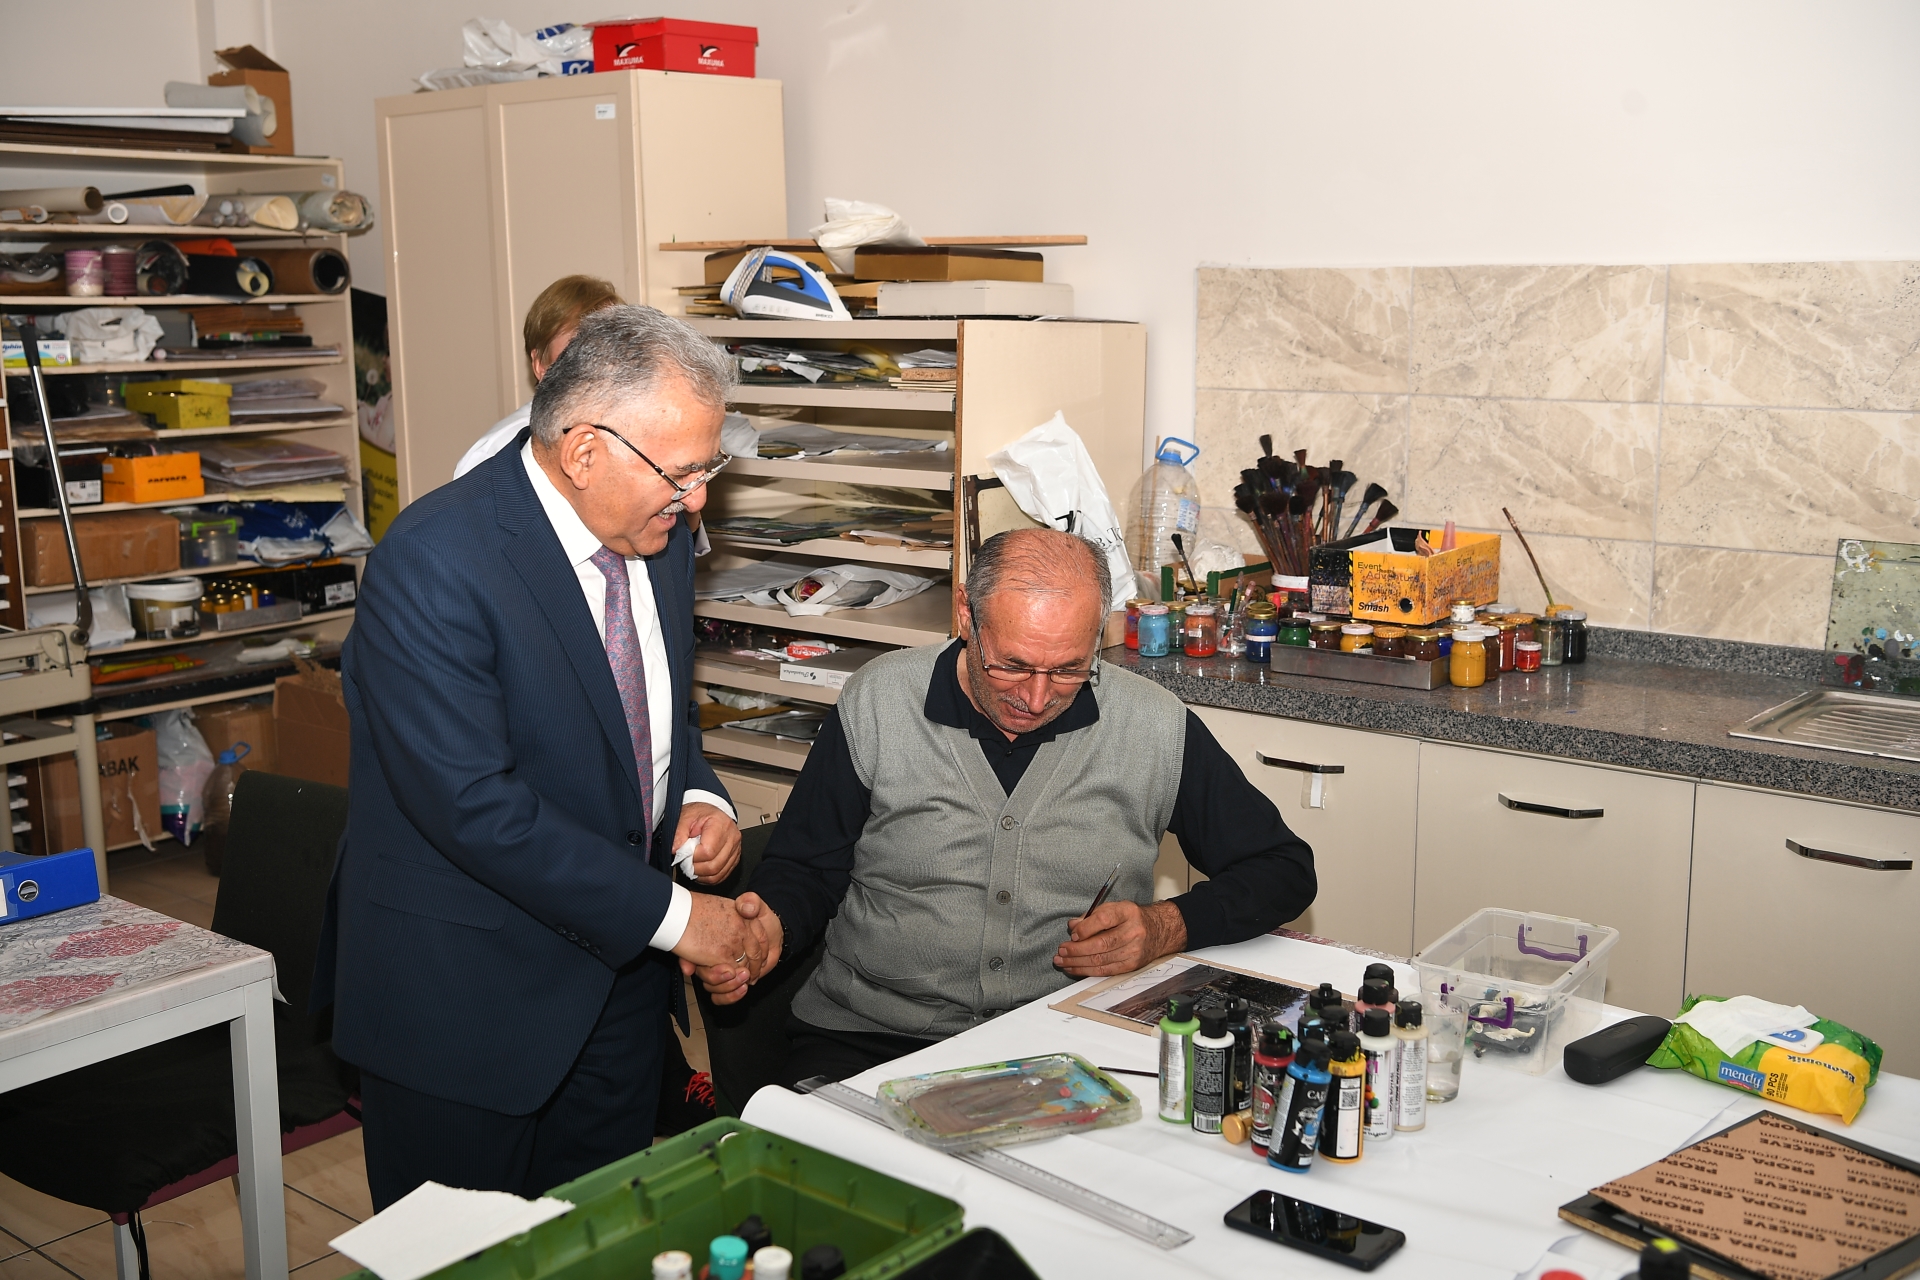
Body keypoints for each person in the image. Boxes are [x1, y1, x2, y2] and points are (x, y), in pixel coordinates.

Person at [316, 305, 771, 1207]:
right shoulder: (435, 561)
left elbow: (652, 717)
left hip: (615, 991)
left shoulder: (656, 537)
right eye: (682, 473)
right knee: (461, 1261)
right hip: (466, 1001)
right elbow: (474, 807)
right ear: (585, 451)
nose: (697, 501)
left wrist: (700, 797)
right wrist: (682, 919)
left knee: (598, 1239)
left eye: (707, 469)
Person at [695, 528, 1317, 1084]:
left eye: (1069, 670)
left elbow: (1283, 869)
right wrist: (769, 928)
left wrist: (1166, 926)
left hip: (1067, 1041)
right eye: (1012, 666)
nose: (1036, 698)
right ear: (967, 615)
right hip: (872, 1039)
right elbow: (807, 867)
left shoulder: (1153, 726)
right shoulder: (879, 701)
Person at [454, 274, 620, 480]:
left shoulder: (635, 437)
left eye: (609, 347)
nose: (597, 364)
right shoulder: (496, 456)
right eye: (576, 350)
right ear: (540, 365)